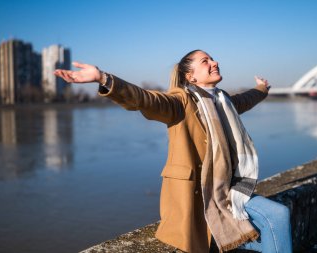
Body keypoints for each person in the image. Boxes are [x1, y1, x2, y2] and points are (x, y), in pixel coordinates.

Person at [54, 50, 293, 253]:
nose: (214, 62)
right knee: (270, 222)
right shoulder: (181, 101)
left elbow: (245, 99)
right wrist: (103, 79)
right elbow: (145, 99)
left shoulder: (223, 101)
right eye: (205, 61)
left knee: (278, 216)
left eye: (213, 58)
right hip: (196, 198)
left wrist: (261, 89)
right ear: (191, 76)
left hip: (229, 192)